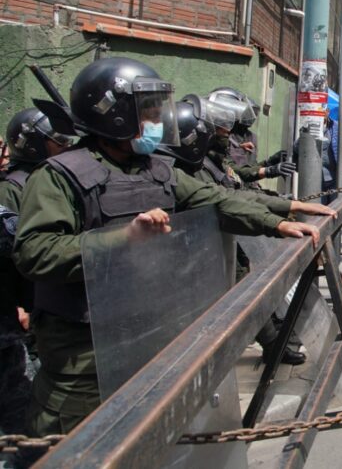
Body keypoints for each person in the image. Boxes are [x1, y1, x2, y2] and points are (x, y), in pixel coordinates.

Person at [12, 58, 321, 437]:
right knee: (77, 445)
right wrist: (123, 239)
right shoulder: (59, 176)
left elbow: (217, 198)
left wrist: (281, 218)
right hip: (84, 353)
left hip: (149, 333)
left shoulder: (155, 169)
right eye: (149, 111)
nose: (158, 120)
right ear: (115, 115)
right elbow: (35, 252)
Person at [156, 95, 335, 365]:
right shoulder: (178, 172)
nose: (226, 136)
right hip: (196, 257)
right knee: (234, 301)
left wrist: (288, 206)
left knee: (244, 295)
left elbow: (236, 191)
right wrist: (280, 218)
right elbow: (225, 200)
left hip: (224, 242)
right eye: (219, 131)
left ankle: (273, 342)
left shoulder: (206, 163)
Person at [0, 109, 72, 438]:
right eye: (56, 142)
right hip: (22, 312)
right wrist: (21, 303)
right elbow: (20, 252)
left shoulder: (49, 179)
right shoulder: (13, 188)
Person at [206, 88, 292, 188]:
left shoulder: (249, 137)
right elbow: (239, 172)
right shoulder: (212, 149)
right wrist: (269, 170)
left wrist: (270, 162)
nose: (227, 131)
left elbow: (248, 170)